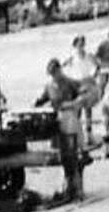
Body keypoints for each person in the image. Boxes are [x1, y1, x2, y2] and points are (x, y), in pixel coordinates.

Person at [34, 58, 85, 201]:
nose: (54, 75)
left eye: (55, 72)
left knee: (74, 152)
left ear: (59, 70)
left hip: (70, 118)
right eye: (51, 74)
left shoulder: (69, 82)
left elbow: (83, 92)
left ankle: (78, 188)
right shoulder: (49, 85)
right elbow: (41, 100)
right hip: (57, 120)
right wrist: (34, 106)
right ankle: (68, 185)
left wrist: (76, 103)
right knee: (63, 155)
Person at [64, 34, 100, 145]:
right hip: (76, 84)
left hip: (87, 82)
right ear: (75, 45)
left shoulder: (89, 55)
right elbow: (63, 68)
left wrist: (92, 76)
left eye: (82, 44)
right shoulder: (71, 57)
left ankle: (89, 134)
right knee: (77, 111)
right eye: (79, 44)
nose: (81, 46)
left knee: (88, 110)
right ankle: (79, 136)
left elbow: (97, 67)